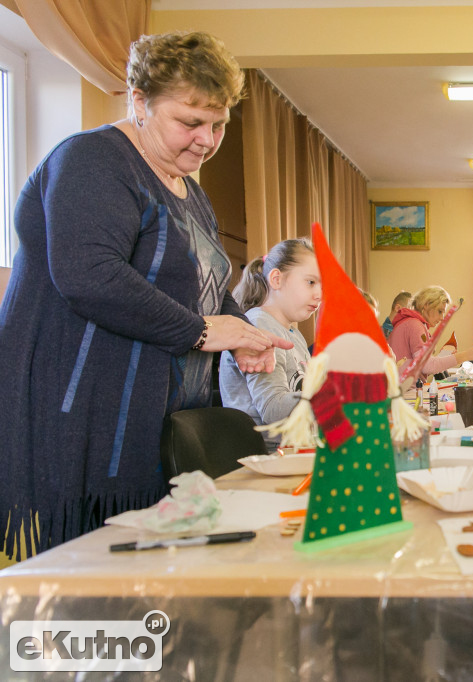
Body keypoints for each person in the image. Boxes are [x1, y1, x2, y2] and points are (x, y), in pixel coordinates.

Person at [0, 31, 291, 561]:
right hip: (85, 418)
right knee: (93, 590)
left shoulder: (190, 190)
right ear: (139, 101)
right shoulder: (92, 160)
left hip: (158, 421)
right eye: (190, 122)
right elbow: (89, 274)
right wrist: (204, 332)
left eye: (219, 124)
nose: (206, 140)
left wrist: (241, 335)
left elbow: (204, 288)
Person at [221, 239, 320, 452]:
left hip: (295, 448)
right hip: (266, 455)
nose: (319, 295)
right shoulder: (258, 324)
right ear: (276, 279)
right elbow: (273, 409)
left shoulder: (293, 333)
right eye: (311, 282)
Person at [388, 285, 473, 379]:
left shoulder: (409, 323)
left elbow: (423, 365)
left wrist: (444, 357)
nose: (442, 318)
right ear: (426, 305)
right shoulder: (415, 325)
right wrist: (465, 355)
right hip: (406, 391)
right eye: (440, 311)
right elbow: (428, 366)